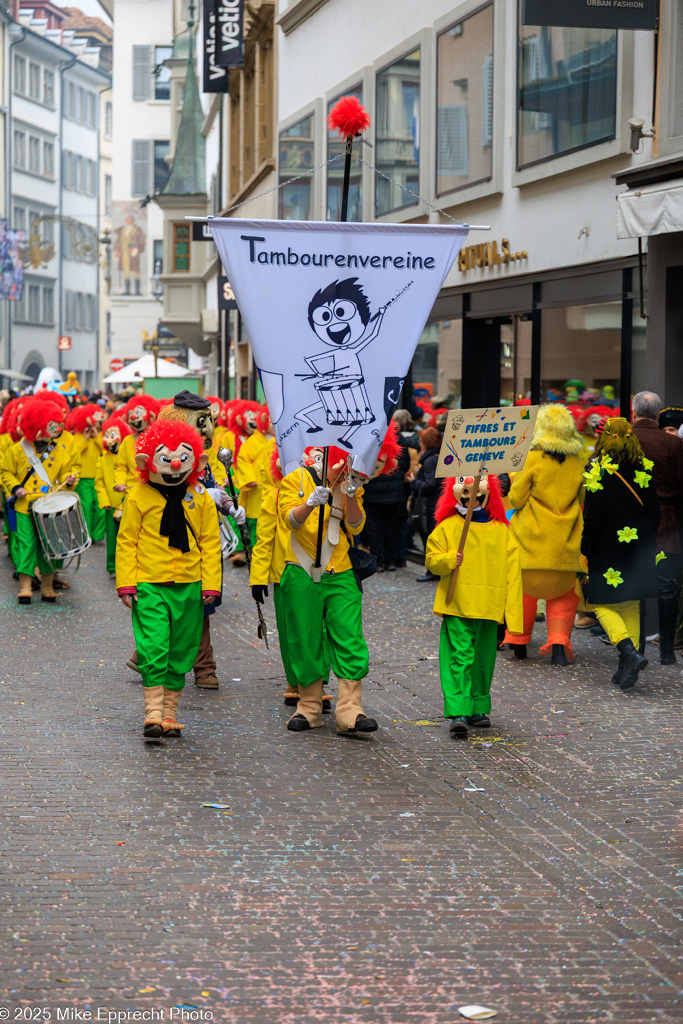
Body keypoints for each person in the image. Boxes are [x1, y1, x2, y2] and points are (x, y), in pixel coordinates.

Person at [115, 420, 222, 738]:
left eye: (182, 457)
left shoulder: (200, 496)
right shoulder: (138, 495)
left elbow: (210, 542)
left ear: (196, 462)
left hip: (189, 585)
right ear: (147, 462)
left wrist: (211, 583)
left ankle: (170, 714)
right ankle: (153, 713)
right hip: (150, 584)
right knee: (154, 646)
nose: (175, 464)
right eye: (166, 457)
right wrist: (127, 583)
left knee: (180, 651)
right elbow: (127, 541)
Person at [425, 474, 522, 738]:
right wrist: (448, 559)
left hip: (489, 606)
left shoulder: (502, 530)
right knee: (460, 656)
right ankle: (458, 709)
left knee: (483, 659)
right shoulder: (448, 527)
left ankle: (478, 705)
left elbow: (514, 574)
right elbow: (432, 560)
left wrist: (513, 618)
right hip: (458, 604)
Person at [502, 405, 585, 666]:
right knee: (563, 596)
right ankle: (559, 644)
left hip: (531, 543)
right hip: (565, 547)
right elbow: (582, 498)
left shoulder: (532, 459)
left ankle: (518, 640)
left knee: (523, 593)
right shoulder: (577, 462)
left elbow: (515, 497)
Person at [581, 417, 660, 691]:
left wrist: (586, 546)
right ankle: (625, 666)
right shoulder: (643, 467)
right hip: (638, 546)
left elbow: (592, 516)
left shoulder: (597, 470)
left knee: (601, 603)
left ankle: (628, 653)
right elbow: (654, 513)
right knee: (630, 604)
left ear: (605, 440)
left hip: (607, 546)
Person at [1, 399, 78, 604]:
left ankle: (47, 586)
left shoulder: (59, 450)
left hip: (49, 507)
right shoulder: (17, 450)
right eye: (51, 423)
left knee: (49, 546)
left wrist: (69, 480)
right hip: (24, 506)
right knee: (26, 545)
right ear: (37, 425)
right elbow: (6, 471)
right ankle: (25, 586)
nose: (57, 427)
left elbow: (65, 474)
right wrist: (16, 488)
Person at [632, 391, 683, 664]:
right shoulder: (673, 444)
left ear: (633, 412)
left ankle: (636, 648)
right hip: (667, 521)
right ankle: (666, 651)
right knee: (667, 586)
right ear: (658, 414)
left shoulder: (624, 442)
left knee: (635, 586)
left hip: (630, 522)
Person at [361, 426, 410, 571]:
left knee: (374, 527)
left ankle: (378, 560)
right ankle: (391, 560)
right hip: (393, 492)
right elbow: (405, 463)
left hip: (372, 490)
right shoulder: (398, 436)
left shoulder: (368, 433)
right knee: (391, 526)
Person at [95, 415, 131, 575]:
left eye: (113, 434)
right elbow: (99, 482)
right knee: (111, 539)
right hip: (111, 505)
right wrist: (104, 501)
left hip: (128, 502)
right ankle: (111, 566)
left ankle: (127, 567)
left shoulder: (126, 455)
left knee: (128, 538)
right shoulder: (103, 458)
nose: (109, 439)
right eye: (106, 435)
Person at [409, 426, 444, 582]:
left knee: (428, 537)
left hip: (430, 505)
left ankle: (432, 571)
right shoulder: (437, 457)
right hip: (433, 504)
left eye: (422, 440)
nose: (419, 442)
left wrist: (414, 482)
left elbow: (430, 485)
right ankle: (433, 570)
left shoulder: (430, 460)